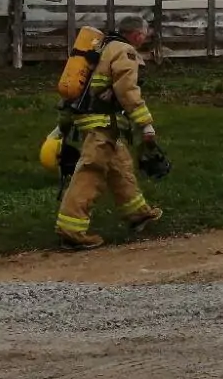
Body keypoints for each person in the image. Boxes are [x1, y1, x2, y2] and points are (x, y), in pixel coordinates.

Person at [54, 14, 165, 249]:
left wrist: (64, 123)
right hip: (102, 122)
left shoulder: (103, 46)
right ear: (137, 35)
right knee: (91, 172)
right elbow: (127, 90)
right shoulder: (125, 51)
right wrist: (145, 124)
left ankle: (138, 214)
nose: (145, 39)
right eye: (144, 34)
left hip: (95, 119)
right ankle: (71, 231)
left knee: (120, 167)